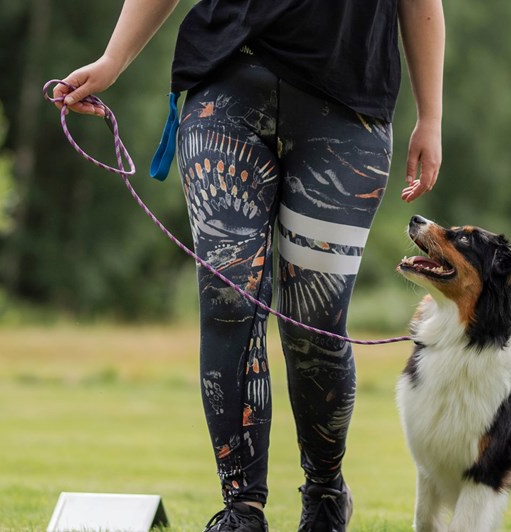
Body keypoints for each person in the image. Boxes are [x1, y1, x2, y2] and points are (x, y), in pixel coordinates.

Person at [53, 0, 445, 530]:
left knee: (315, 323)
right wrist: (112, 60)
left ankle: (326, 490)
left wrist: (431, 116)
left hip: (347, 108)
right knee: (229, 301)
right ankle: (241, 508)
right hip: (226, 85)